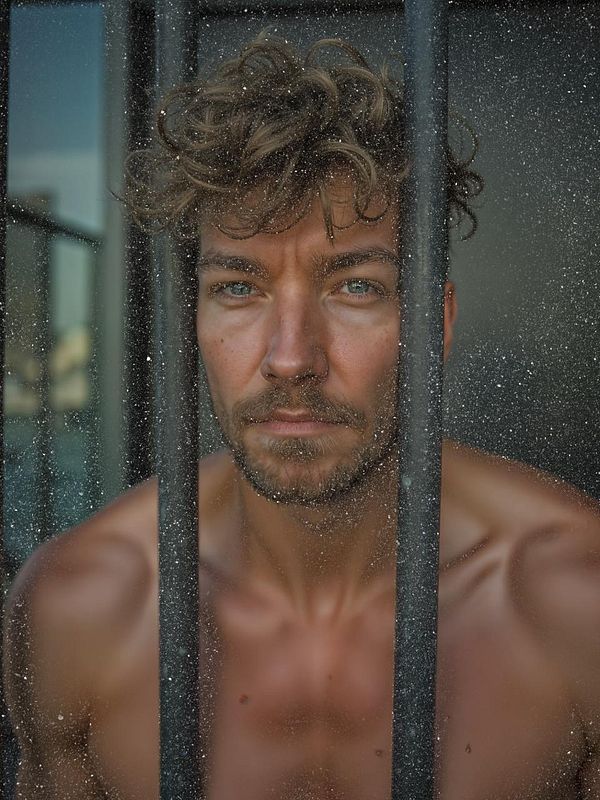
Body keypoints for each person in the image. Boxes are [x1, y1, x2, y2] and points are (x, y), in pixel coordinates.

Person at [3, 33, 600, 800]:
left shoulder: (574, 597)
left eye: (355, 287)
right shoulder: (79, 604)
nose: (290, 358)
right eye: (238, 288)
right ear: (193, 321)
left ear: (435, 324)